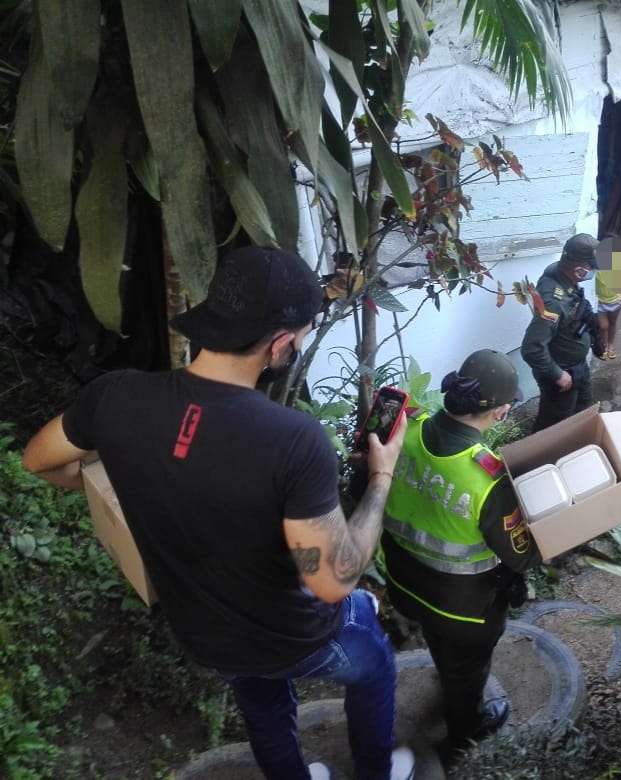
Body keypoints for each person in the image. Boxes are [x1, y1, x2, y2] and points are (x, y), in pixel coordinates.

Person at [21, 247, 415, 780]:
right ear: (278, 343)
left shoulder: (115, 398)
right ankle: (376, 772)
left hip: (203, 631)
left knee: (262, 704)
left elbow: (39, 460)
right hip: (293, 637)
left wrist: (111, 481)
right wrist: (382, 476)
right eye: (298, 339)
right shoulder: (292, 442)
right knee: (373, 664)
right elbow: (333, 581)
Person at [377, 349, 542, 765]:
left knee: (438, 640)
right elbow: (522, 557)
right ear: (501, 413)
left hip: (405, 585)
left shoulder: (405, 430)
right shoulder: (486, 478)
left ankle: (446, 674)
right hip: (464, 610)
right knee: (467, 669)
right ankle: (463, 734)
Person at [521, 233, 603, 432]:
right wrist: (557, 375)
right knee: (554, 426)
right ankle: (542, 459)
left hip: (577, 365)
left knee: (583, 408)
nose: (593, 272)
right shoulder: (554, 303)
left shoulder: (561, 273)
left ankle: (574, 445)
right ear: (578, 270)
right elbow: (531, 348)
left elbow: (576, 304)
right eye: (592, 268)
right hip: (562, 373)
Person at [595, 268, 621, 361]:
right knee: (603, 326)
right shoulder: (594, 261)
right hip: (599, 300)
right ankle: (604, 345)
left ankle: (611, 344)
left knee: (612, 322)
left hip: (615, 300)